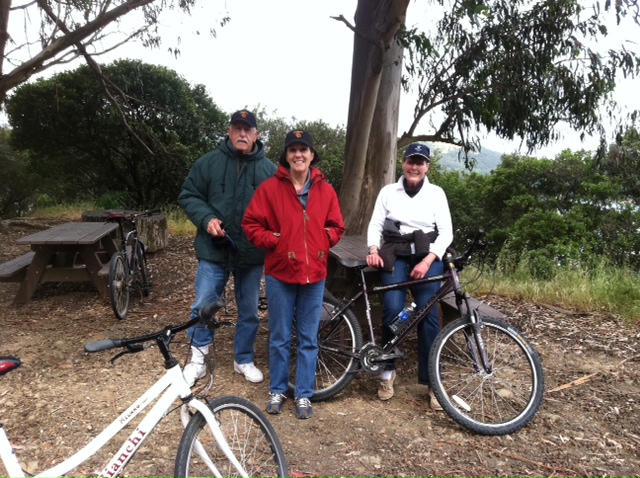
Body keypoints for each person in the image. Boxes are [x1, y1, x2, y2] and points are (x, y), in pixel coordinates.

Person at [242, 130, 346, 419]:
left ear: (312, 155)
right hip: (280, 273)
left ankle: (303, 394)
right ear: (286, 156)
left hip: (315, 272)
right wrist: (274, 241)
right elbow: (251, 224)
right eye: (292, 150)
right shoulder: (270, 189)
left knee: (308, 337)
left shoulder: (326, 190)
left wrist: (323, 239)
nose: (298, 154)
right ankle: (277, 389)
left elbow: (337, 225)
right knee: (279, 335)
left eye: (304, 149)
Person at [178, 109, 277, 387]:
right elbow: (189, 194)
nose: (242, 134)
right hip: (214, 249)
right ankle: (197, 359)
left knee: (249, 311)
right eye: (237, 128)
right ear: (230, 131)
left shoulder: (270, 171)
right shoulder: (208, 163)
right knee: (203, 305)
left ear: (257, 135)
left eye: (248, 130)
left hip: (251, 253)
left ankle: (243, 358)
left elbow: (279, 211)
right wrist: (207, 218)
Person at [365, 143, 453, 410]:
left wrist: (429, 260)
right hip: (395, 253)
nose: (414, 167)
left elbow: (446, 232)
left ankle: (431, 383)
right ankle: (387, 372)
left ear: (427, 167)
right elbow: (376, 224)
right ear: (403, 164)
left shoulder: (436, 193)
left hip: (427, 255)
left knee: (428, 314)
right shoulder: (389, 191)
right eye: (410, 161)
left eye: (420, 162)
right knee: (392, 309)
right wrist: (372, 249)